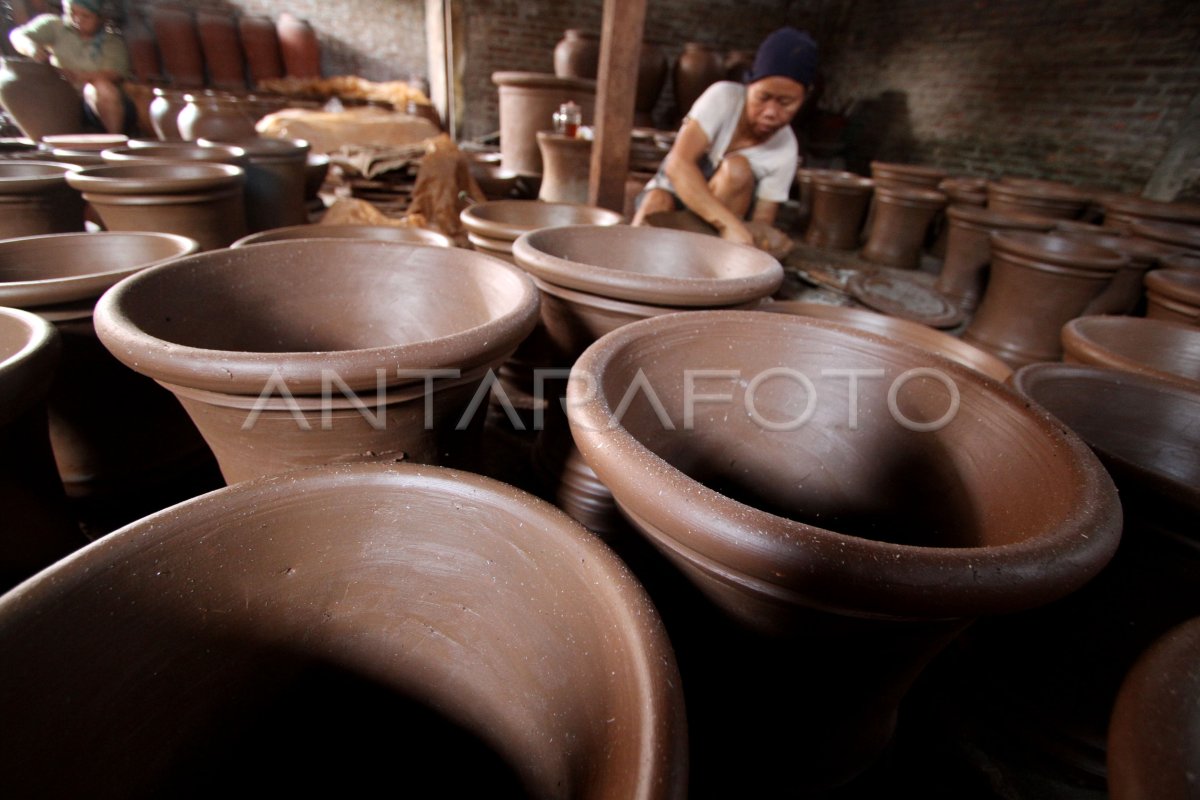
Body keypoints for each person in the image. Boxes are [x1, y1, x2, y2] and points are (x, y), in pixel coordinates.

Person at [632, 27, 818, 246]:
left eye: (786, 103)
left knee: (737, 171)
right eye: (763, 97)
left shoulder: (785, 149)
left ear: (804, 98)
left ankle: (702, 267)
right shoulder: (722, 97)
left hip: (717, 230)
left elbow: (762, 223)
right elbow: (677, 165)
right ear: (749, 86)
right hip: (678, 197)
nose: (770, 112)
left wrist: (752, 240)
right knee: (656, 202)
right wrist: (727, 224)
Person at [8, 0, 133, 135]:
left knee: (102, 88)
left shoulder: (112, 41)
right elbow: (18, 35)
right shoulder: (55, 26)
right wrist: (31, 48)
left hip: (95, 105)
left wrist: (76, 76)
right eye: (72, 13)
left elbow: (113, 73)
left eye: (85, 16)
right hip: (61, 99)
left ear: (100, 17)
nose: (77, 19)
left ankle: (114, 139)